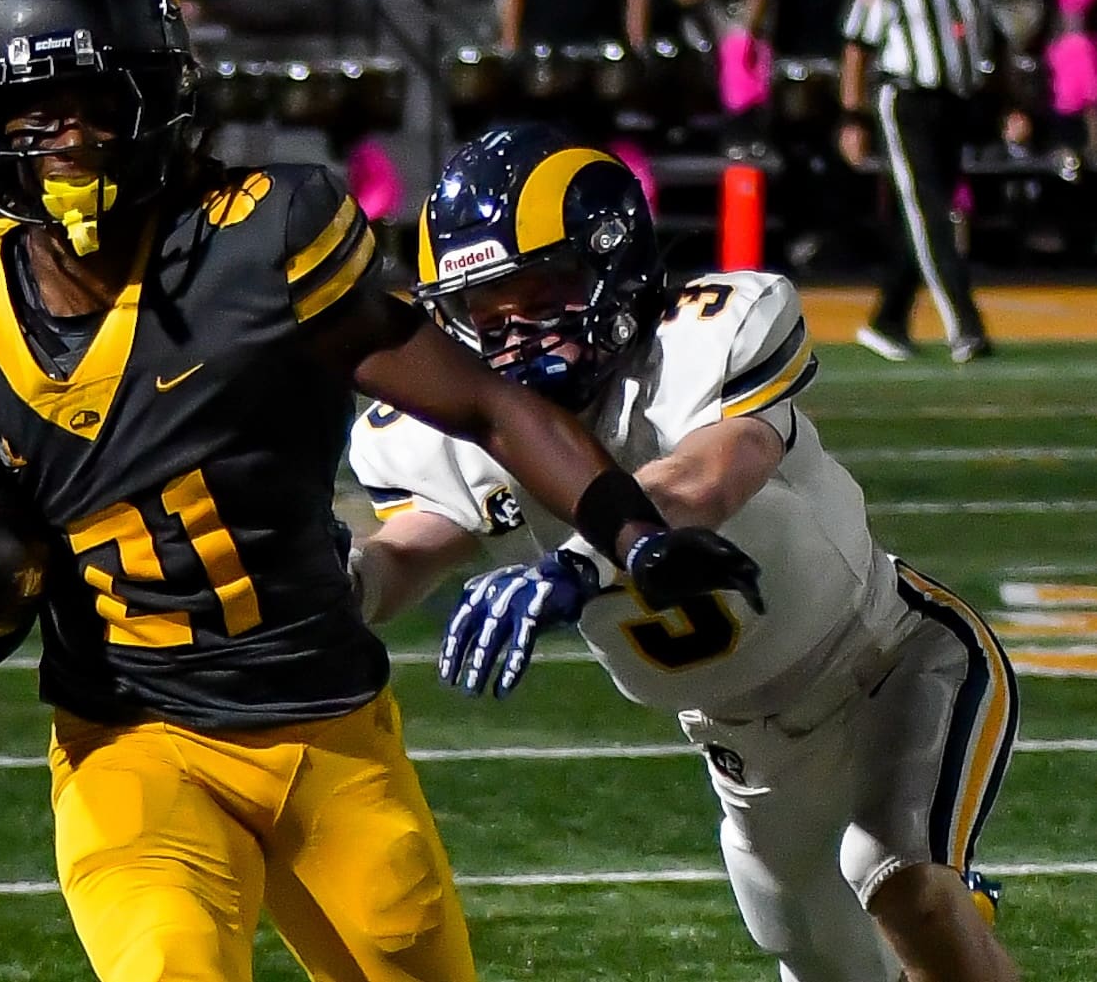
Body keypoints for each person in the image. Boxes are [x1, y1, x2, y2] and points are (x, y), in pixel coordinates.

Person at [0, 0, 758, 982]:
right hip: (129, 742)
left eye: (96, 104)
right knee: (170, 964)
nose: (68, 140)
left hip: (325, 726)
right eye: (31, 113)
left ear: (157, 98)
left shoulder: (261, 240)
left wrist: (636, 537)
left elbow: (490, 406)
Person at [347, 123, 1022, 982]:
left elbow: (705, 477)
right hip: (743, 754)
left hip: (888, 662)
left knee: (899, 881)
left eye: (542, 291)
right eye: (486, 312)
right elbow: (409, 547)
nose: (515, 335)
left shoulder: (707, 336)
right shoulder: (461, 428)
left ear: (611, 262)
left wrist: (581, 562)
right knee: (831, 962)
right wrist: (333, 581)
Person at [839, 0, 1020, 365]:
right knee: (932, 213)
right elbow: (857, 46)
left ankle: (888, 321)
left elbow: (995, 43)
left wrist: (1008, 104)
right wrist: (852, 116)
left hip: (953, 104)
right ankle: (964, 323)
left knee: (912, 218)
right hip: (906, 101)